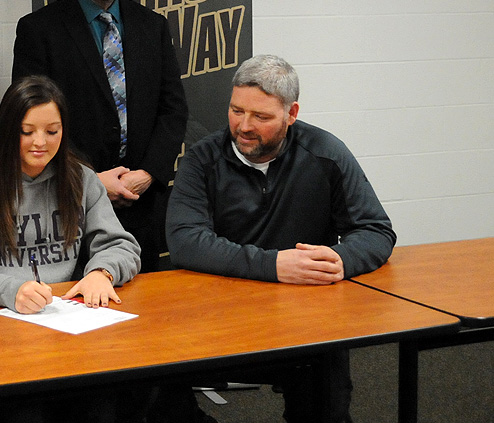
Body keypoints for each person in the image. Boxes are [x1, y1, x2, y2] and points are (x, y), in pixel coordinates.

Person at [166, 54, 397, 423]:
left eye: (261, 117)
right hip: (220, 314)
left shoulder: (325, 153)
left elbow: (375, 229)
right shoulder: (203, 158)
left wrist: (341, 259)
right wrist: (273, 264)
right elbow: (184, 240)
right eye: (236, 110)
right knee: (153, 393)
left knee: (326, 400)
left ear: (291, 114)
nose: (243, 126)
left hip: (303, 318)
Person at [13, 0, 188, 273]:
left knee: (144, 310)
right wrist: (90, 180)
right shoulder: (39, 30)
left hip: (141, 201)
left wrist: (149, 173)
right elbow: (30, 120)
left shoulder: (151, 26)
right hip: (70, 200)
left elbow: (173, 109)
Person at [0, 75, 141, 314]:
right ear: (8, 130)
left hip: (66, 312)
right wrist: (8, 290)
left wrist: (102, 272)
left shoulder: (82, 179)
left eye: (52, 131)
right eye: (27, 131)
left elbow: (122, 245)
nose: (40, 142)